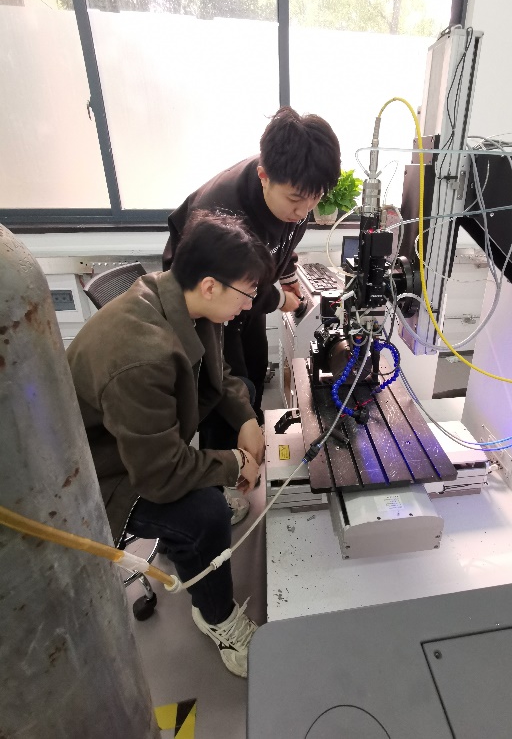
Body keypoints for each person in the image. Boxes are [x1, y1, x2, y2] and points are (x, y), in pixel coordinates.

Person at [67, 211, 273, 679]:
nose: (249, 306)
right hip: (101, 476)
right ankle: (216, 616)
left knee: (240, 401)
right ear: (210, 285)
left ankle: (196, 534)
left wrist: (247, 419)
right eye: (247, 293)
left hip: (137, 448)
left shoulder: (185, 301)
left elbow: (220, 376)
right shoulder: (140, 353)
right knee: (205, 514)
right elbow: (158, 474)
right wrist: (236, 462)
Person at [163, 106, 341, 420]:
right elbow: (228, 286)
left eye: (315, 198)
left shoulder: (294, 189)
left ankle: (253, 426)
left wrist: (287, 276)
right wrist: (280, 299)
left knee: (256, 363)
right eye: (296, 199)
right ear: (263, 177)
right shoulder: (224, 215)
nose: (304, 212)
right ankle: (230, 443)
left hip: (242, 286)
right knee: (224, 384)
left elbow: (284, 240)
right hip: (207, 294)